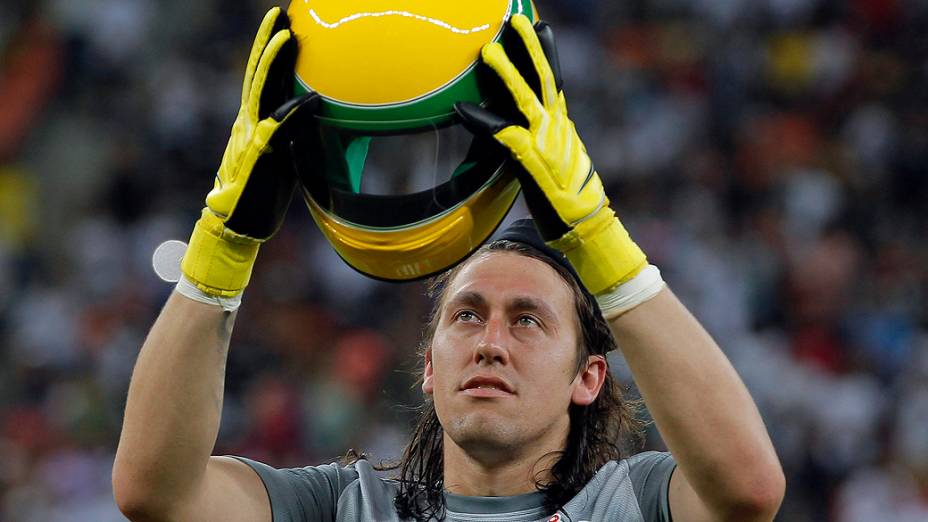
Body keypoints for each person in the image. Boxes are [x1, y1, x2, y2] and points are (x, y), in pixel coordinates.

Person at [113, 7, 785, 522]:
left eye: (528, 320)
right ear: (430, 365)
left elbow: (749, 490)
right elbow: (154, 495)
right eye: (467, 315)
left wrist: (597, 237)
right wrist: (222, 246)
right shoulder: (344, 505)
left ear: (588, 377)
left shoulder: (626, 502)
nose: (490, 343)